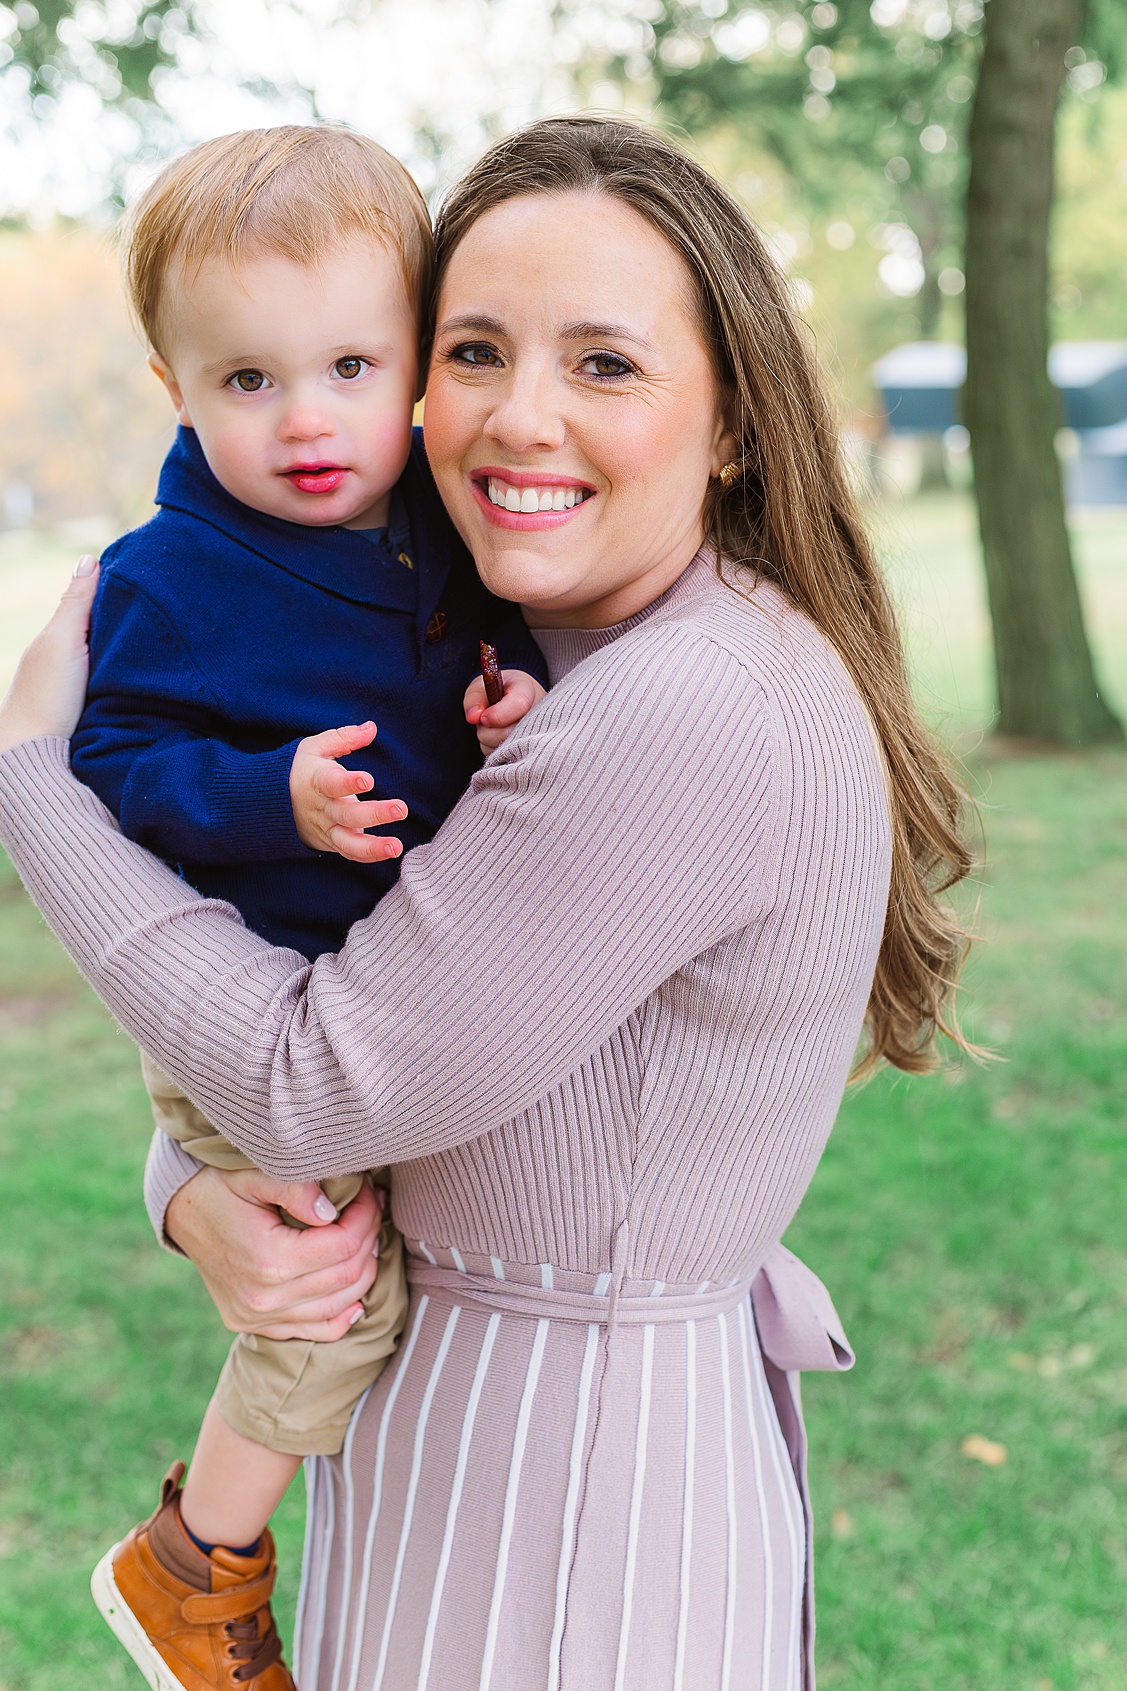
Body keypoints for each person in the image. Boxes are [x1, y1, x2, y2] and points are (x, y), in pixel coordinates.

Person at [0, 115, 973, 1690]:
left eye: (605, 363)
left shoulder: (682, 708)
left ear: (731, 421)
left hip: (566, 1510)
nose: (521, 418)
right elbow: (369, 1007)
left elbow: (316, 1083)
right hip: (472, 1442)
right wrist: (190, 1187)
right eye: (475, 350)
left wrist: (31, 782)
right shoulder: (545, 654)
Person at [65, 124, 547, 1691]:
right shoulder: (168, 580)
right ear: (176, 386)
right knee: (331, 1298)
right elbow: (112, 762)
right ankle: (191, 1573)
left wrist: (503, 704)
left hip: (389, 1005)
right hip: (248, 1012)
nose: (307, 419)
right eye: (247, 382)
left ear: (413, 356)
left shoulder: (437, 535)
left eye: (350, 364)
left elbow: (473, 670)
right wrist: (265, 795)